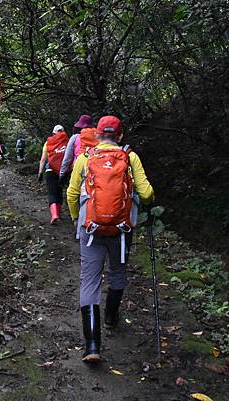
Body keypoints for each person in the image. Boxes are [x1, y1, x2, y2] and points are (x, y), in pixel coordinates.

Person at [66, 115, 154, 363]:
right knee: (118, 273)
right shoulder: (130, 157)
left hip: (90, 228)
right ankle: (111, 316)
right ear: (120, 135)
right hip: (121, 229)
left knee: (89, 280)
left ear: (97, 135)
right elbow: (146, 193)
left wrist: (76, 218)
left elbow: (72, 194)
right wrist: (145, 201)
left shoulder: (85, 158)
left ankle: (92, 345)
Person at [38, 125, 69, 224]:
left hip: (50, 170)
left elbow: (43, 159)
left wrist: (40, 172)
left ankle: (54, 214)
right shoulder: (67, 141)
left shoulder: (48, 142)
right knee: (59, 192)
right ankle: (58, 214)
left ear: (53, 133)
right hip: (63, 172)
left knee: (52, 193)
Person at [59, 115, 98, 186]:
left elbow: (67, 158)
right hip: (96, 169)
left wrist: (62, 174)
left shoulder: (75, 137)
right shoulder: (99, 136)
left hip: (78, 169)